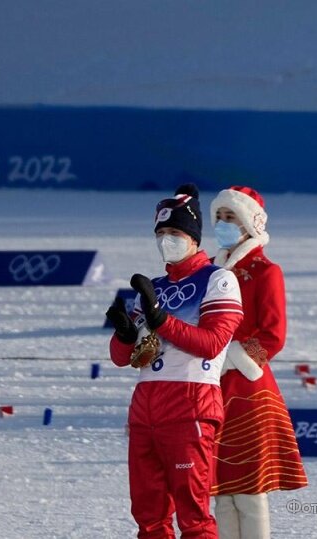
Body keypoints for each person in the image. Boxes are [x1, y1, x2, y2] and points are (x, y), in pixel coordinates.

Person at [106, 183, 243, 537]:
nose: (166, 240)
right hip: (145, 410)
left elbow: (212, 343)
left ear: (193, 237)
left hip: (190, 406)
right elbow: (122, 359)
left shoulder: (219, 280)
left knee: (194, 517)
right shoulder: (154, 287)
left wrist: (161, 320)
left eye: (175, 233)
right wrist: (124, 336)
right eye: (160, 233)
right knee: (149, 517)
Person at [207, 186, 308, 539]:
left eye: (231, 216)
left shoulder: (267, 272)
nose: (223, 223)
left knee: (249, 492)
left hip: (249, 389)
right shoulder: (207, 271)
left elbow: (273, 336)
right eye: (219, 217)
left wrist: (228, 357)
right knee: (220, 492)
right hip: (211, 387)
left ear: (250, 223)